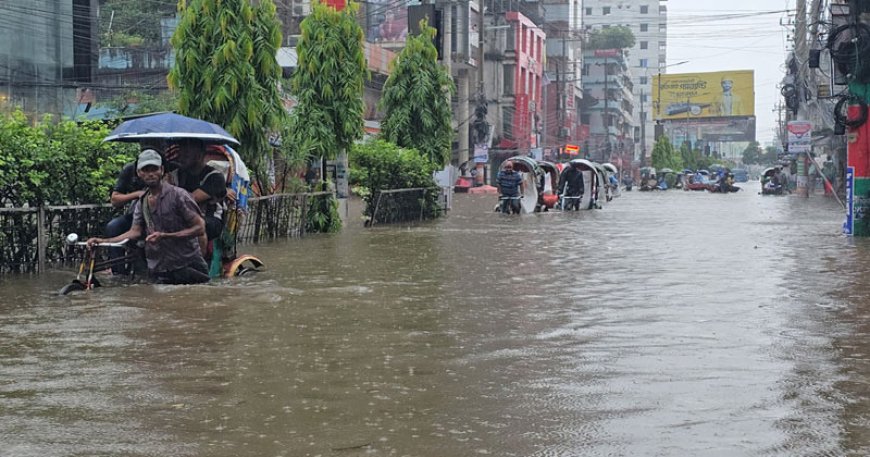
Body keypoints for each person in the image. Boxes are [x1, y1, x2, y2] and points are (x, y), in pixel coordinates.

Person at [87, 150, 209, 285]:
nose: (150, 174)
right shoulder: (142, 202)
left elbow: (199, 227)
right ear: (139, 173)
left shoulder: (179, 196)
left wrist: (166, 236)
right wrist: (103, 241)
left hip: (188, 266)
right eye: (145, 170)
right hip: (159, 269)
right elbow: (135, 232)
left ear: (162, 170)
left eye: (154, 169)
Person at [171, 139, 229, 254]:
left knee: (196, 225)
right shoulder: (177, 174)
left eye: (188, 152)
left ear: (200, 154)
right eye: (182, 150)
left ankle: (199, 266)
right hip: (180, 216)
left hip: (210, 219)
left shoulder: (214, 177)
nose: (183, 155)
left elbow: (189, 200)